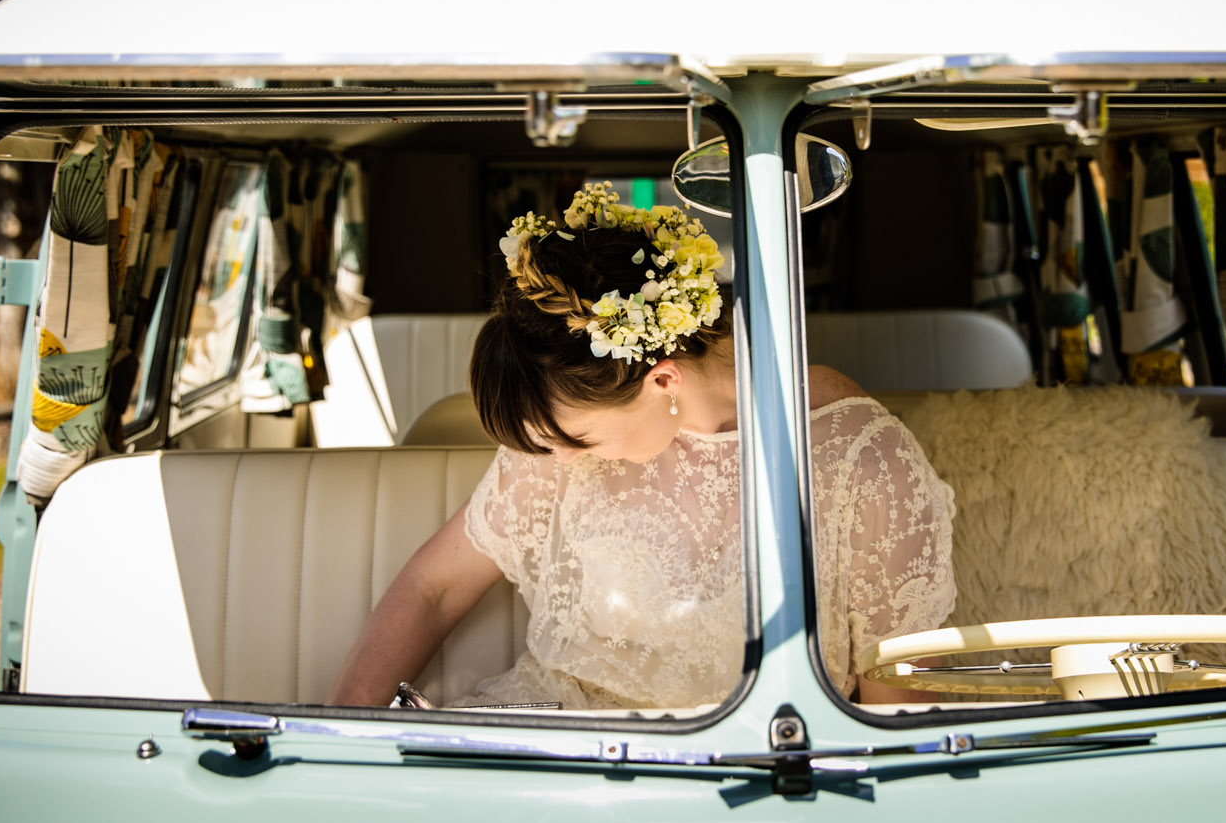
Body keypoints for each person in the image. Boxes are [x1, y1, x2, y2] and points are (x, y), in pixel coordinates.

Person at [329, 183, 955, 710]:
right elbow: (433, 590)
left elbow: (890, 698)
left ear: (663, 379)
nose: (563, 461)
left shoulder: (866, 467)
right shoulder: (563, 429)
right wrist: (344, 736)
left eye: (579, 440)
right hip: (554, 749)